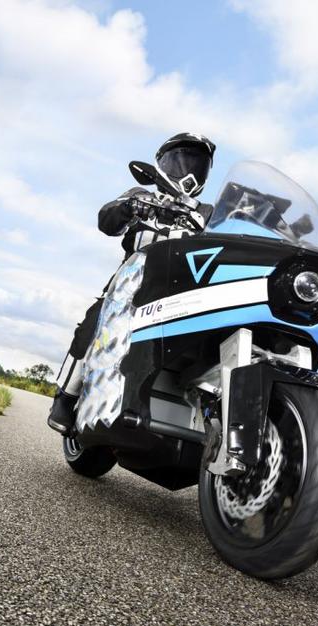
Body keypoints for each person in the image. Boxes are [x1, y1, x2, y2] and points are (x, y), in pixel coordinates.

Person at [47, 133, 217, 434]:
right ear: (163, 163)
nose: (189, 171)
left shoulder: (208, 213)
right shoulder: (141, 195)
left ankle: (213, 415)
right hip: (129, 291)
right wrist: (130, 207)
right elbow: (107, 221)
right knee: (93, 324)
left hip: (184, 297)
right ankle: (66, 396)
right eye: (182, 160)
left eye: (198, 164)